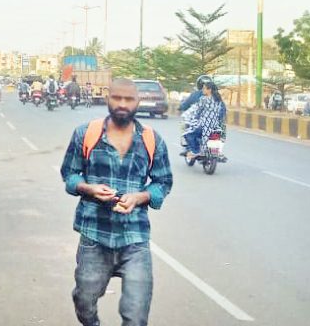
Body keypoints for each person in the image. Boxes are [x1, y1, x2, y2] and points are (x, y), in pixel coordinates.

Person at [60, 78, 173, 326]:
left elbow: (163, 182)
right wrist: (88, 188)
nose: (122, 104)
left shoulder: (151, 140)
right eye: (117, 98)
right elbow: (69, 175)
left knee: (136, 315)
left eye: (128, 99)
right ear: (107, 98)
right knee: (84, 300)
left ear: (137, 102)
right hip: (94, 237)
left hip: (135, 239)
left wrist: (140, 197)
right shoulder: (86, 134)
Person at [182, 82, 225, 162]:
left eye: (204, 88)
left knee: (188, 134)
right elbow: (222, 112)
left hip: (204, 125)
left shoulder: (204, 99)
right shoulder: (219, 100)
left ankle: (196, 151)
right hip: (216, 126)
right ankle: (214, 152)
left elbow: (195, 110)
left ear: (209, 90)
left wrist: (187, 115)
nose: (203, 90)